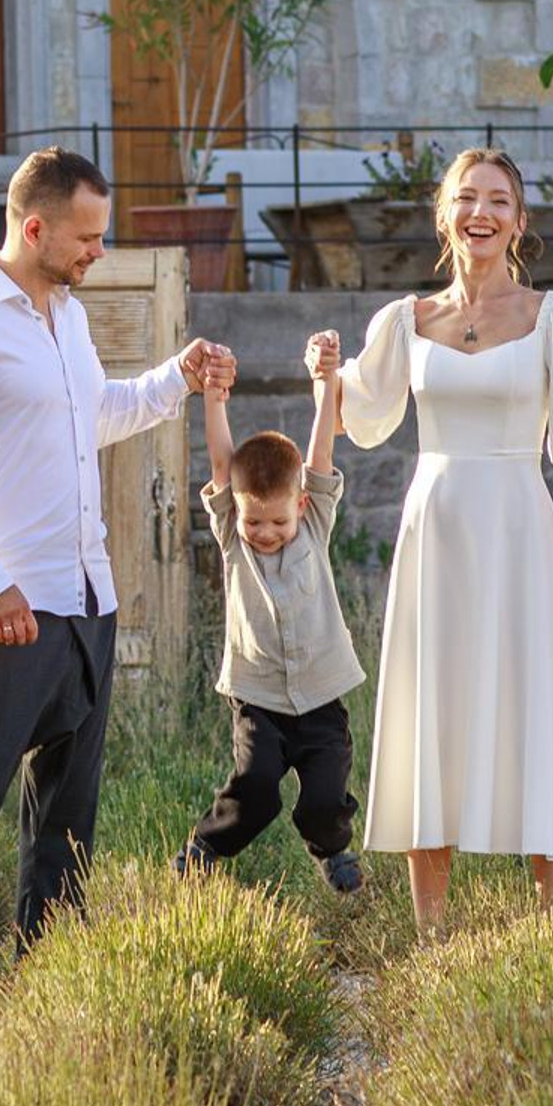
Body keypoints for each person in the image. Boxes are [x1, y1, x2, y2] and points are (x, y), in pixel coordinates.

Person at [0, 146, 233, 1049]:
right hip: (5, 609)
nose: (99, 250)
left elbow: (92, 418)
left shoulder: (69, 320)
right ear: (34, 226)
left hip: (87, 599)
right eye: (87, 236)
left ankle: (46, 983)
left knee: (65, 818)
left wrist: (177, 377)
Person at [337, 146, 553, 933]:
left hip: (519, 528)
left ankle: (551, 934)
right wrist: (321, 380)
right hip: (436, 533)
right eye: (467, 199)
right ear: (444, 214)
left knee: (539, 705)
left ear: (519, 221)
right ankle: (433, 942)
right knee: (432, 709)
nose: (482, 213)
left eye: (499, 201)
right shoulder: (404, 323)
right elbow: (358, 417)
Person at [176, 329, 366, 892]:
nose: (265, 533)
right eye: (254, 521)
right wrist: (214, 397)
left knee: (326, 794)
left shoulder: (313, 521)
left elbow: (322, 454)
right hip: (257, 693)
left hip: (320, 688)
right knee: (255, 786)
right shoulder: (234, 538)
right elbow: (219, 461)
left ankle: (331, 851)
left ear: (301, 505)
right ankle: (205, 847)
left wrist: (326, 380)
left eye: (277, 522)